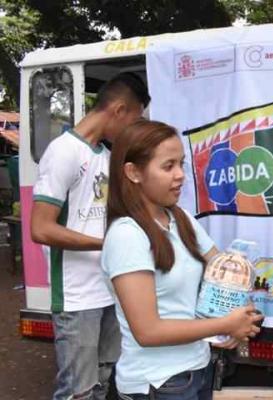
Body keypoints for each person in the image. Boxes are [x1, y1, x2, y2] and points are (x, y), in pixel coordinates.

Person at [101, 120, 264, 400]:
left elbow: (222, 271)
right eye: (168, 166)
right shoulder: (127, 236)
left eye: (181, 164)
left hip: (197, 370)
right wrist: (225, 325)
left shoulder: (180, 218)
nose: (180, 175)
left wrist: (241, 310)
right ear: (133, 172)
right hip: (158, 383)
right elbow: (148, 331)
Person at [30, 72, 149, 400]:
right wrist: (106, 243)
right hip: (77, 296)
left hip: (109, 290)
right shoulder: (64, 151)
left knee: (102, 380)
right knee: (78, 392)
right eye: (135, 119)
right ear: (119, 110)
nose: (132, 130)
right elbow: (40, 228)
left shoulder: (106, 157)